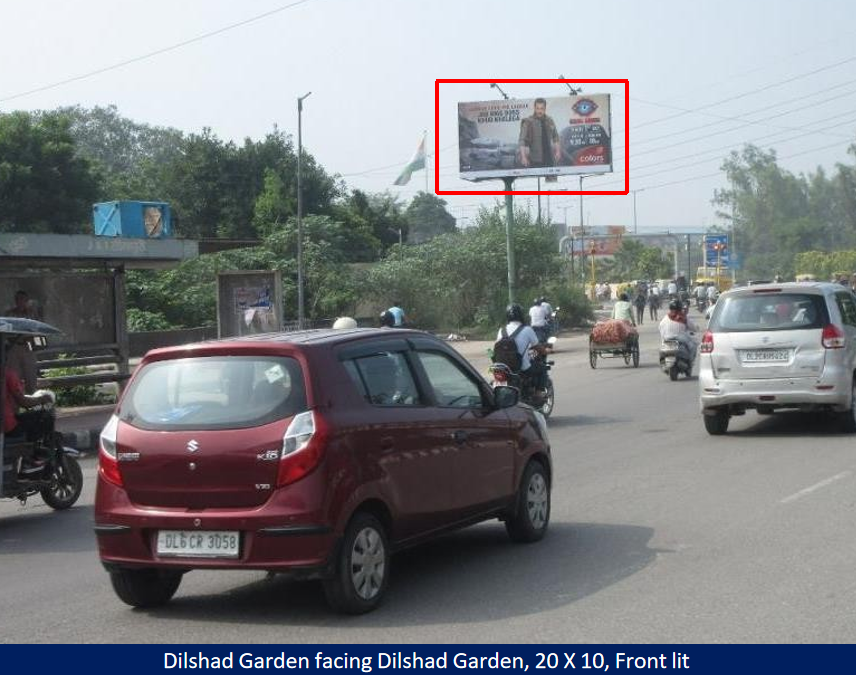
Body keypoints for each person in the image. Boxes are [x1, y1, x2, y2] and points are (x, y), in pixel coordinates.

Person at [496, 303, 548, 401]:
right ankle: (538, 393)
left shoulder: (501, 330)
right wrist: (545, 351)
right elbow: (538, 348)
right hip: (521, 367)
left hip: (503, 368)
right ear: (521, 315)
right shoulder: (527, 330)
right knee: (542, 368)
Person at [518, 98, 561, 168]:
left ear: (545, 109)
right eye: (537, 108)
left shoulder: (549, 120)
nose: (539, 111)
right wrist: (523, 157)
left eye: (542, 108)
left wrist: (558, 151)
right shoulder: (528, 122)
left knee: (552, 178)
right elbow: (521, 140)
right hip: (535, 159)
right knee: (535, 178)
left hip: (549, 158)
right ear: (534, 108)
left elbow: (555, 137)